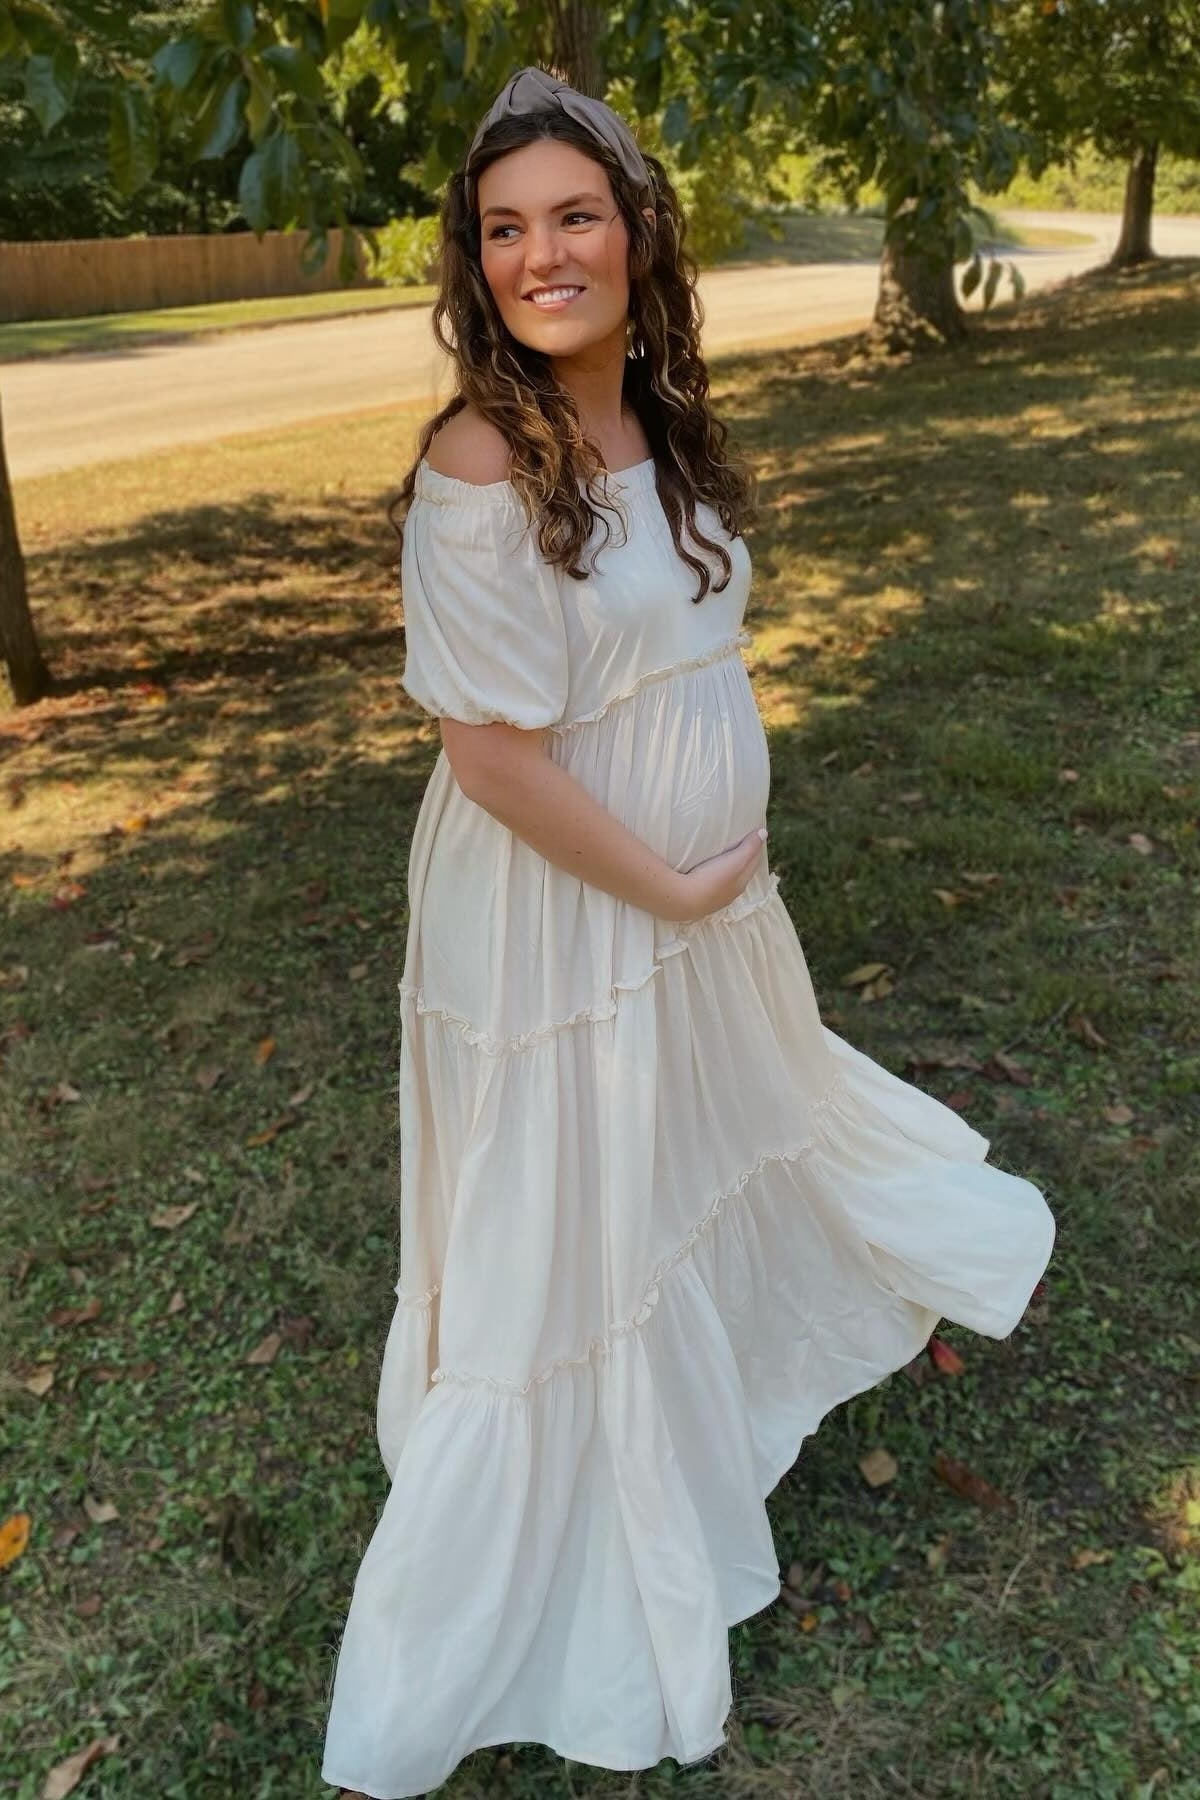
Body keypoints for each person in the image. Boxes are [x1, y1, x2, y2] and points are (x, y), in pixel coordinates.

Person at [320, 66, 1056, 1800]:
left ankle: (684, 1448)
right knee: (568, 1219)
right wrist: (671, 884)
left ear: (640, 234)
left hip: (695, 899)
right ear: (474, 262)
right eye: (506, 230)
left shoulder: (658, 421)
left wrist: (712, 867)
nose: (542, 256)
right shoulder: (479, 460)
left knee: (676, 1167)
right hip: (569, 910)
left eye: (575, 215)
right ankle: (527, 1586)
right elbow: (492, 758)